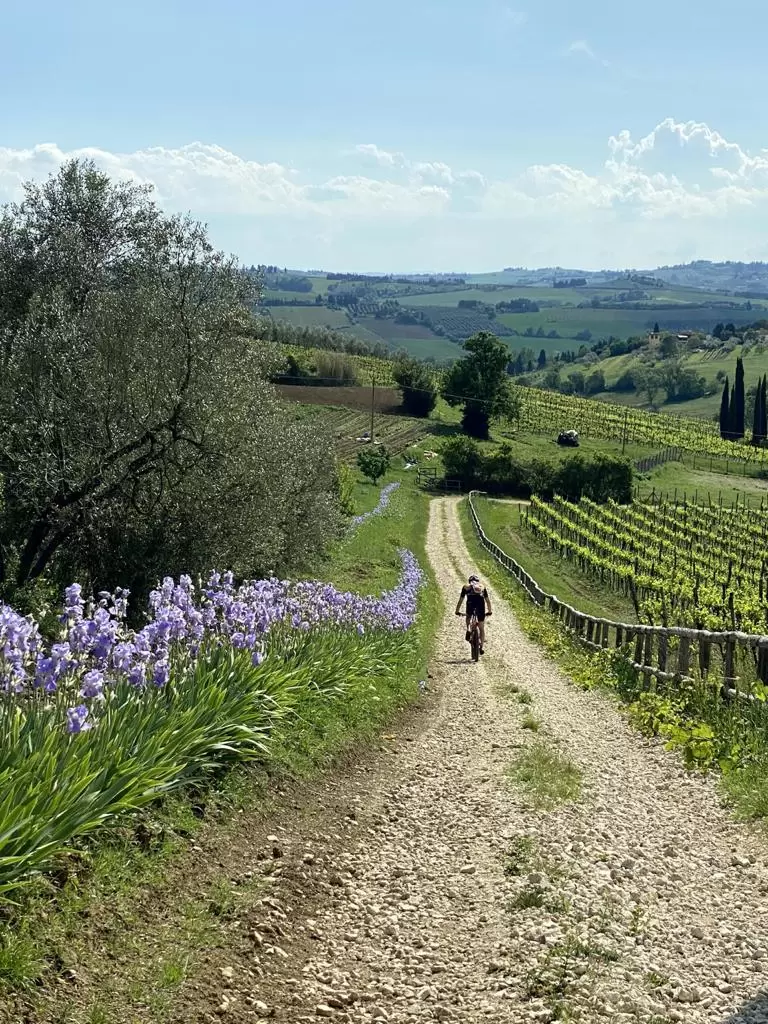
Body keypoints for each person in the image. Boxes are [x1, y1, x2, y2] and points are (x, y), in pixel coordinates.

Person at [455, 574, 492, 654]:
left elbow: (461, 600)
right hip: (480, 605)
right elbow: (487, 601)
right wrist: (489, 611)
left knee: (468, 617)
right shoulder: (482, 587)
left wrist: (457, 611)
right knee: (481, 628)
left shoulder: (466, 587)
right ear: (478, 581)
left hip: (471, 603)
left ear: (470, 581)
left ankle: (468, 628)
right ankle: (481, 647)